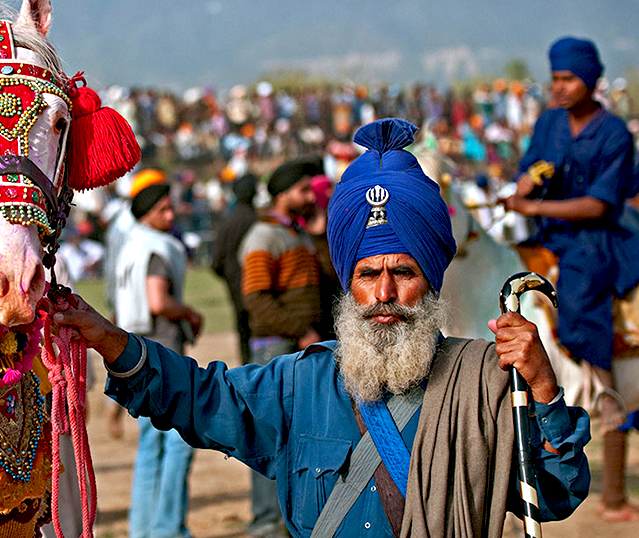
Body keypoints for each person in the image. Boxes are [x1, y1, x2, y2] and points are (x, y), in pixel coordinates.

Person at [54, 118, 590, 538]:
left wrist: (542, 388)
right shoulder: (297, 384)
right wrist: (109, 339)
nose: (384, 294)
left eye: (403, 272)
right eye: (367, 275)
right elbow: (199, 397)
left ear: (430, 279)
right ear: (347, 280)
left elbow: (555, 497)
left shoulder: (487, 381)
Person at [505, 37, 639, 434]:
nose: (559, 87)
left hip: (599, 236)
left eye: (568, 79)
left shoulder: (615, 133)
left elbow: (599, 205)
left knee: (580, 288)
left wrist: (534, 207)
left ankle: (605, 387)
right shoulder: (548, 123)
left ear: (590, 80)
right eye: (555, 79)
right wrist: (526, 182)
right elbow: (529, 166)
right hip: (552, 232)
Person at [236, 158, 326, 537]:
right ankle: (267, 520)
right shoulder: (263, 237)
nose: (311, 196)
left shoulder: (298, 234)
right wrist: (302, 330)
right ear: (283, 194)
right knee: (271, 437)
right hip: (278, 348)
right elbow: (256, 301)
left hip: (299, 345)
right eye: (304, 190)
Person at [112, 169, 203, 538]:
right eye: (163, 210)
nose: (171, 216)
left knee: (151, 444)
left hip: (136, 351)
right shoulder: (156, 248)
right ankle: (167, 527)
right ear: (147, 213)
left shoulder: (128, 246)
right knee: (179, 443)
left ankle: (143, 527)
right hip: (161, 353)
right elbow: (158, 300)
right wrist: (190, 313)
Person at [211, 173, 259, 365]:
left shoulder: (227, 222)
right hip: (258, 287)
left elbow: (216, 262)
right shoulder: (258, 220)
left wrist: (231, 278)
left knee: (243, 333)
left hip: (235, 287)